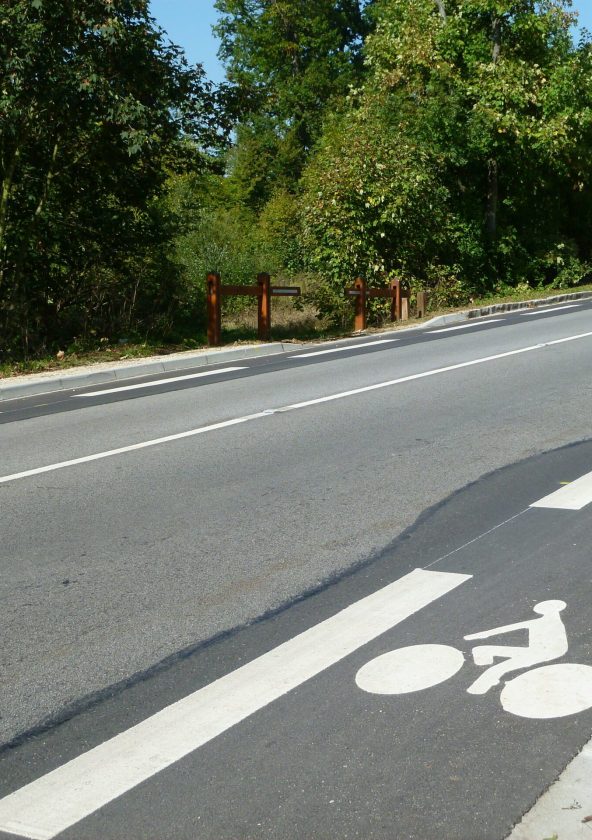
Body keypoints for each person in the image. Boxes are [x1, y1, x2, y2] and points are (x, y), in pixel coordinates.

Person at [464, 600, 568, 695]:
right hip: (536, 651)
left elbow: (509, 628)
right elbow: (508, 628)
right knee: (480, 650)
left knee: (497, 668)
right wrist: (482, 634)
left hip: (544, 652)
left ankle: (477, 690)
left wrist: (482, 634)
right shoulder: (541, 622)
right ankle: (485, 667)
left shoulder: (545, 622)